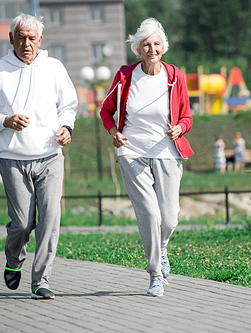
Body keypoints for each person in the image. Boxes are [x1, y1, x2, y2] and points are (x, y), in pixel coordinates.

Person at [0, 13, 78, 300]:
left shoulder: (54, 68)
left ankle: (41, 281)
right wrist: (5, 121)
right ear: (11, 39)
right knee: (21, 223)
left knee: (49, 219)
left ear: (40, 40)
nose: (27, 43)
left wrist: (66, 127)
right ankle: (14, 259)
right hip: (13, 159)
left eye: (32, 38)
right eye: (21, 38)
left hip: (50, 157)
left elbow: (68, 105)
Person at [100, 18, 194, 297]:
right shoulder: (124, 77)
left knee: (169, 219)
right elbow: (106, 112)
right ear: (138, 50)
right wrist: (113, 131)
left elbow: (187, 116)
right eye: (145, 45)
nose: (151, 49)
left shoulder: (175, 76)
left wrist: (180, 128)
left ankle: (162, 248)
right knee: (149, 214)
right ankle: (154, 274)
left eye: (156, 44)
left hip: (167, 151)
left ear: (163, 48)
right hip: (132, 151)